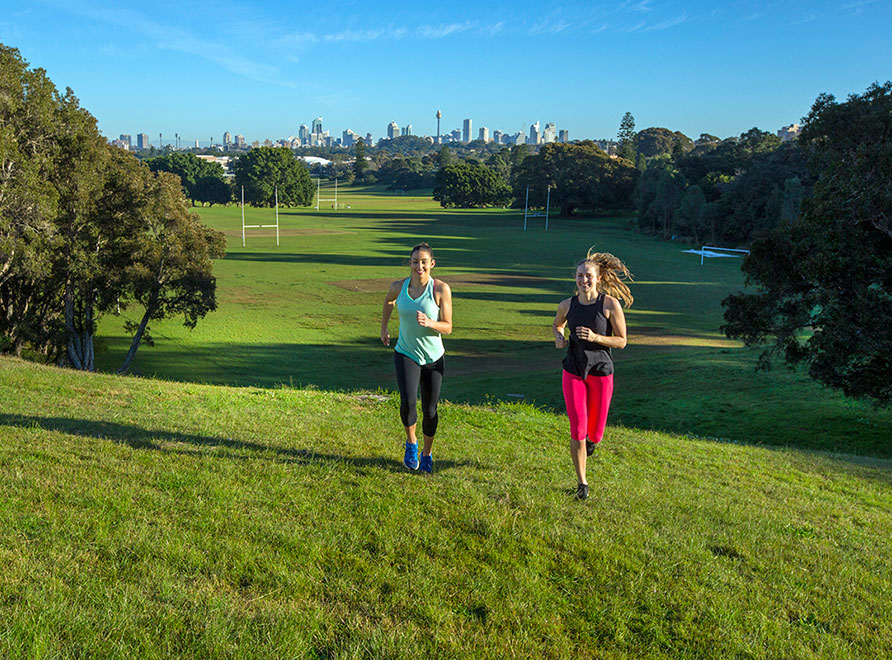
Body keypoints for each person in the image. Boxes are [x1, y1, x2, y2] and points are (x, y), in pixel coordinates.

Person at [552, 250, 633, 500]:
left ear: (598, 279)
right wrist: (558, 336)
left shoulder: (609, 305)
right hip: (573, 370)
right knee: (577, 429)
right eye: (579, 276)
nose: (583, 280)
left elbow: (622, 341)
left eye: (588, 275)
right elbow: (557, 324)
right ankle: (582, 485)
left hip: (601, 372)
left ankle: (591, 443)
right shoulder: (567, 305)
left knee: (595, 432)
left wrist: (597, 337)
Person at [381, 243, 453, 473]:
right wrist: (384, 328)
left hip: (433, 358)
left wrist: (430, 323)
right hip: (406, 352)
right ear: (409, 263)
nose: (419, 266)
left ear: (432, 264)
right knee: (408, 402)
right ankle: (411, 444)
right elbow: (388, 302)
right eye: (414, 261)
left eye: (423, 262)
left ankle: (427, 454)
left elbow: (448, 327)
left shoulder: (441, 289)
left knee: (430, 410)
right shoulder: (398, 287)